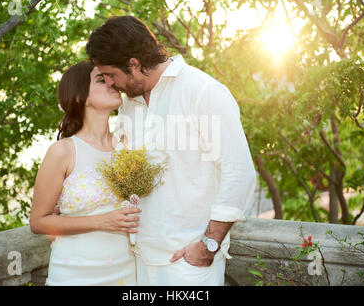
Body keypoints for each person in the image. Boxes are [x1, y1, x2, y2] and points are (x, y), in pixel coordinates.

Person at [85, 16, 257, 286]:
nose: (108, 83)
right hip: (140, 260)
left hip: (188, 263)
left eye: (111, 74)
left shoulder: (202, 91)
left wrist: (208, 245)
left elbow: (240, 172)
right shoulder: (130, 105)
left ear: (134, 64)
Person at [29, 60, 141, 286]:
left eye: (111, 77)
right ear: (80, 97)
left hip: (125, 272)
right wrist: (102, 221)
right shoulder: (63, 151)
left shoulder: (128, 146)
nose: (112, 82)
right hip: (75, 274)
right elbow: (38, 222)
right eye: (101, 79)